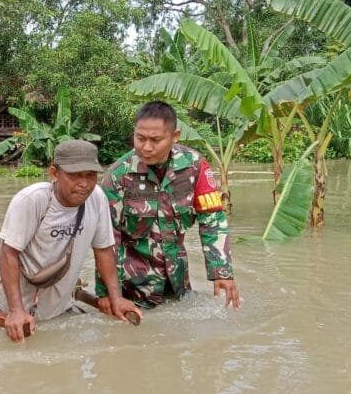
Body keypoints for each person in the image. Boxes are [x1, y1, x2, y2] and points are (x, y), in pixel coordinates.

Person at [95, 100, 241, 310]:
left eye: (155, 140)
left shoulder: (195, 167)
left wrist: (222, 272)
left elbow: (213, 221)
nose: (146, 147)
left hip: (178, 286)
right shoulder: (118, 175)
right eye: (140, 138)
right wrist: (107, 294)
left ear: (175, 137)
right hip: (132, 291)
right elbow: (106, 239)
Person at [0, 140, 141, 342]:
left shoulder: (97, 198)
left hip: (60, 307)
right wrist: (16, 311)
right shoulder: (32, 200)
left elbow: (104, 249)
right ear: (54, 173)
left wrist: (115, 297)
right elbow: (9, 253)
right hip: (15, 309)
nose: (84, 184)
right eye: (74, 176)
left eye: (90, 175)